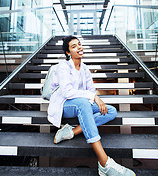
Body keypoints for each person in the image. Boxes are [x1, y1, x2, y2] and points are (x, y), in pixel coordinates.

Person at [47, 35, 136, 176]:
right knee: (83, 103)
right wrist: (94, 97)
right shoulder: (63, 67)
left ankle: (71, 132)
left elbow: (90, 90)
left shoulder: (85, 68)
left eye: (79, 44)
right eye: (74, 46)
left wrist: (94, 97)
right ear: (68, 53)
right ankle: (104, 163)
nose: (79, 47)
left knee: (110, 111)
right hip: (63, 105)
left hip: (81, 103)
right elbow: (67, 92)